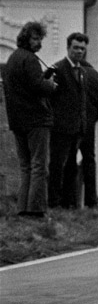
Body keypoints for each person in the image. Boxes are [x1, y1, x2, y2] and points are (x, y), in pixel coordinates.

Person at [1, 21, 58, 217]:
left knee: (25, 167)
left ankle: (23, 209)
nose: (38, 43)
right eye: (36, 39)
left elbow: (25, 85)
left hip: (17, 120)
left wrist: (43, 79)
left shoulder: (13, 59)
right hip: (36, 119)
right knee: (39, 166)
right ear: (26, 38)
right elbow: (38, 86)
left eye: (40, 39)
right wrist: (50, 84)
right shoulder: (30, 60)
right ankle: (36, 210)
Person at [48, 32, 90, 209]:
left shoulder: (82, 71)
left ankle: (68, 203)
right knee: (57, 166)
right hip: (60, 129)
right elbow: (48, 96)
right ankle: (54, 203)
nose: (79, 51)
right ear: (68, 48)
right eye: (76, 48)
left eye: (82, 48)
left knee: (72, 167)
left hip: (76, 130)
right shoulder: (57, 69)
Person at [63, 57, 98, 207]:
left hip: (71, 124)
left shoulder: (70, 73)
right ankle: (91, 201)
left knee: (69, 161)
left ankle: (70, 201)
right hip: (88, 125)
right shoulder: (95, 75)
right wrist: (92, 118)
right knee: (89, 161)